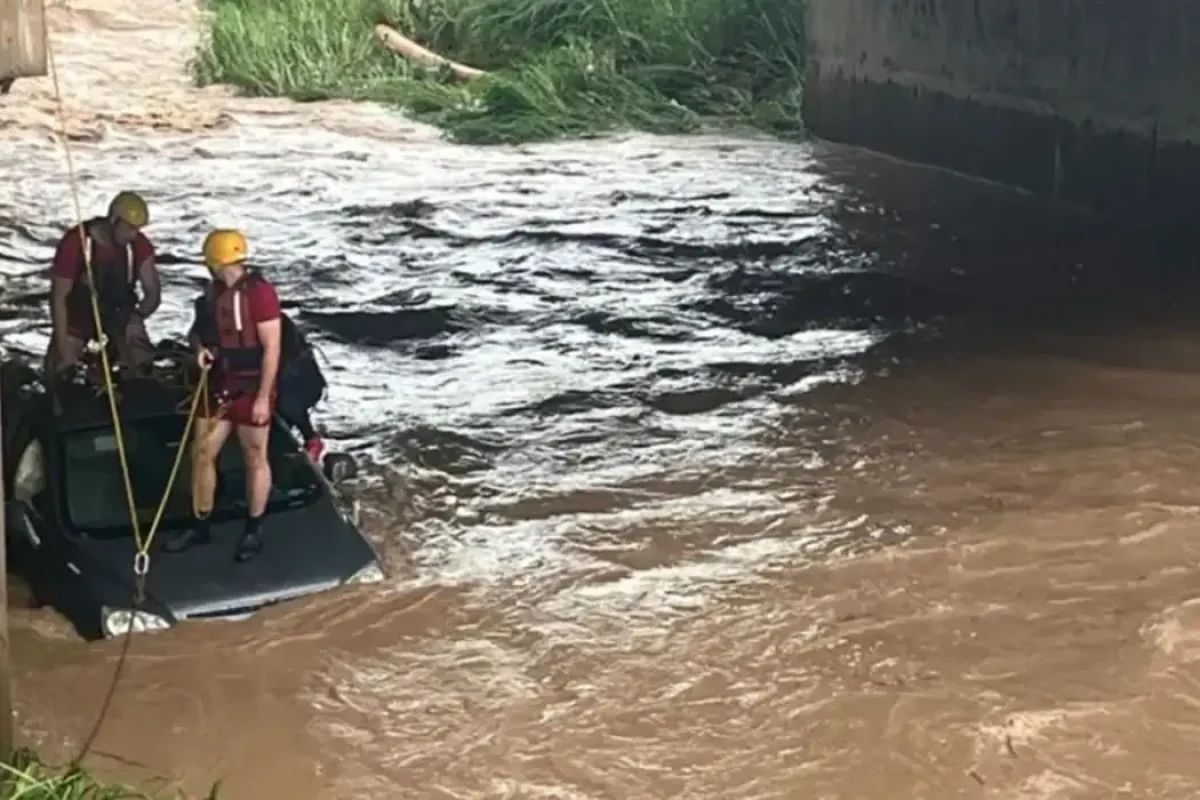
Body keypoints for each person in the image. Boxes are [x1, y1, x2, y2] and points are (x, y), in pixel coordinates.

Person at [163, 229, 280, 561]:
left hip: (250, 386)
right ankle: (200, 525)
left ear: (215, 261)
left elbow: (272, 349)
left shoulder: (261, 294)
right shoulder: (212, 295)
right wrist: (200, 349)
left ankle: (254, 528)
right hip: (218, 385)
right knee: (201, 452)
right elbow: (196, 332)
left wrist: (262, 397)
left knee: (254, 455)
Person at [46, 190, 161, 375]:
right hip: (78, 313)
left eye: (137, 229)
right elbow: (58, 298)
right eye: (129, 228)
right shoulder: (76, 242)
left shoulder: (138, 245)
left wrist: (138, 317)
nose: (133, 235)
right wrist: (64, 351)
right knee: (60, 369)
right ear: (113, 220)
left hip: (120, 313)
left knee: (142, 364)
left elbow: (153, 293)